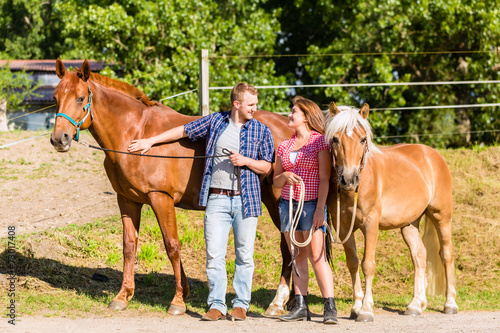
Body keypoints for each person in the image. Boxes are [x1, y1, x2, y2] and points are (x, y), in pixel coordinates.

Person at [128, 83, 275, 322]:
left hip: (246, 200)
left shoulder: (261, 131)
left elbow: (267, 167)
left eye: (255, 104)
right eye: (251, 104)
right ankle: (217, 304)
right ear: (236, 104)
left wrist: (245, 161)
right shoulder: (215, 122)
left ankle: (240, 304)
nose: (255, 109)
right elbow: (183, 130)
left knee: (244, 256)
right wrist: (150, 141)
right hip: (216, 199)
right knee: (214, 255)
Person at [273, 96, 337, 324]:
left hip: (310, 205)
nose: (290, 115)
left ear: (306, 117)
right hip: (287, 205)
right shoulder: (284, 145)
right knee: (296, 255)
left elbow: (324, 179)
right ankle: (300, 305)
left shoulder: (319, 142)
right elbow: (276, 181)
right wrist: (284, 176)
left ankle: (330, 305)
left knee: (318, 256)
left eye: (294, 112)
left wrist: (320, 209)